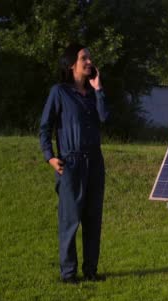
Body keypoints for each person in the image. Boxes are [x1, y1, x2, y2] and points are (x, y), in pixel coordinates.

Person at [39, 43, 110, 284]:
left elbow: (104, 117)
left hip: (95, 163)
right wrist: (49, 156)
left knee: (93, 219)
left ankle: (91, 271)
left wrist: (98, 88)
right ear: (72, 65)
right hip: (70, 164)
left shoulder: (92, 94)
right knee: (70, 221)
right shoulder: (59, 92)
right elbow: (45, 128)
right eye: (84, 58)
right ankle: (68, 274)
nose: (89, 62)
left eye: (90, 58)